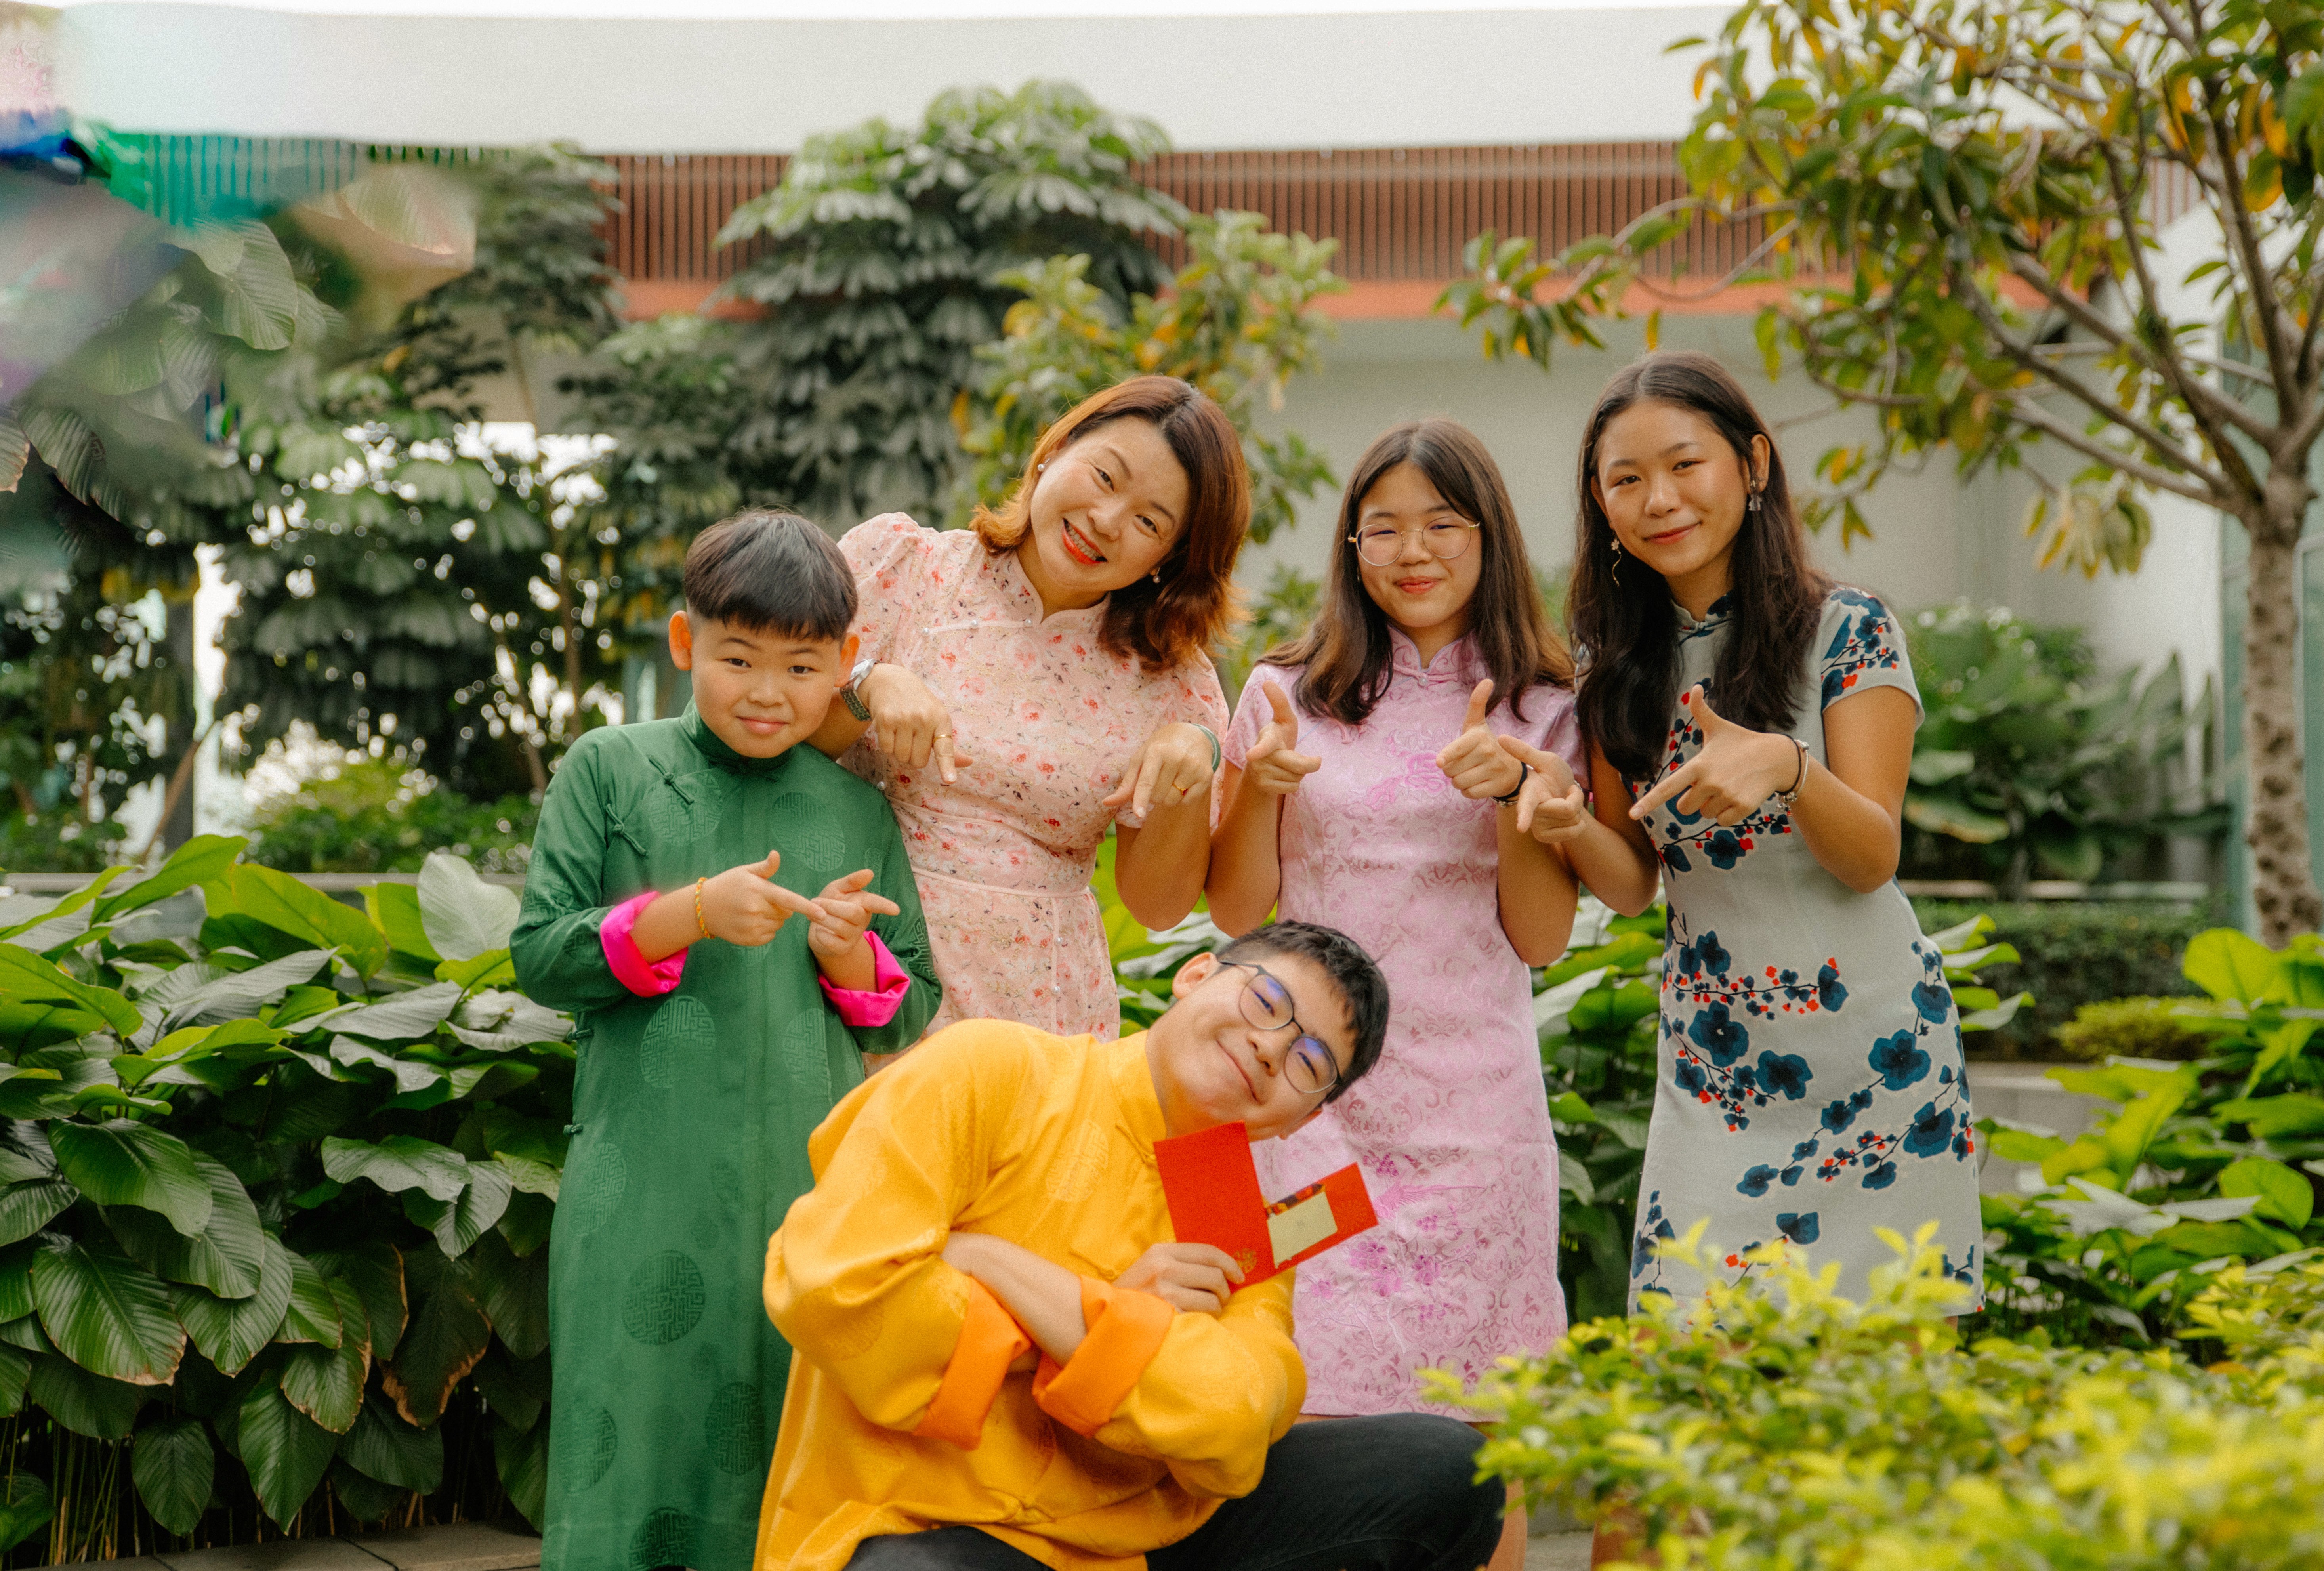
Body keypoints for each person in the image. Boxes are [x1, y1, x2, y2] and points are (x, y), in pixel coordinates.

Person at [754, 919, 1506, 1571]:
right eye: (1267, 1002)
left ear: (1300, 1121)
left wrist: (997, 1264)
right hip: (921, 1519)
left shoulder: (1239, 1222)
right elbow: (835, 1285)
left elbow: (1237, 1415)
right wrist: (1117, 1323)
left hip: (1141, 1544)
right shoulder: (992, 1068)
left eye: (1311, 1062)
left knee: (1452, 1468)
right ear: (1195, 973)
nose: (1273, 1049)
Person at [1506, 350, 1981, 1308]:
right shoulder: (1612, 665)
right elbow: (1634, 880)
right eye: (1625, 480)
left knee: (1880, 1384)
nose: (1659, 499)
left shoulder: (1847, 632)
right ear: (1600, 507)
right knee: (1687, 1352)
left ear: (1752, 466)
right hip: (1717, 1067)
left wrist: (1788, 769)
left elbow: (1871, 859)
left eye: (1686, 465)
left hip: (1879, 1059)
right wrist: (1563, 821)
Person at [513, 510, 942, 1571]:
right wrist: (687, 912)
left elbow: (914, 996)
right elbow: (539, 954)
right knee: (633, 1431)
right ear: (682, 641)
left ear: (845, 666)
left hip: (807, 1189)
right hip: (640, 1177)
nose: (766, 691)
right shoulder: (607, 767)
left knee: (782, 1446)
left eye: (801, 666)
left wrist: (847, 955)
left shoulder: (857, 807)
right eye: (737, 656)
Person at [1204, 421, 1576, 1571]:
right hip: (1298, 1113)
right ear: (1349, 544)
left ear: (1487, 537)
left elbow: (1544, 934)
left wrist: (1515, 794)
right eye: (1383, 528)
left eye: (1440, 524)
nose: (1410, 551)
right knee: (1292, 1404)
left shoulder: (1548, 702)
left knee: (1479, 1430)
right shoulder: (1281, 689)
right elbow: (1232, 912)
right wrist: (1258, 789)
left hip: (1472, 1120)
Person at [808, 375, 1248, 1043]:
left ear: (1171, 559)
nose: (1107, 520)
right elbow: (769, 743)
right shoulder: (907, 568)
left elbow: (1157, 905)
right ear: (1055, 451)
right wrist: (867, 686)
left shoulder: (1173, 684)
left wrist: (1193, 767)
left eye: (1150, 521)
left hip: (1040, 1006)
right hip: (860, 967)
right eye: (1105, 476)